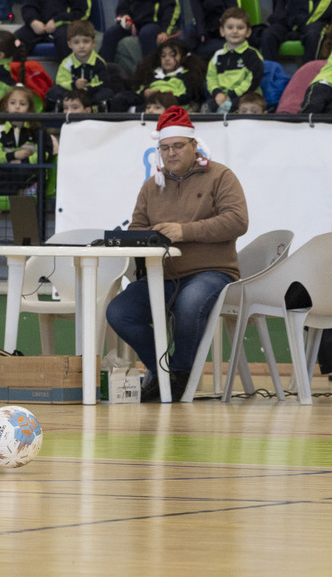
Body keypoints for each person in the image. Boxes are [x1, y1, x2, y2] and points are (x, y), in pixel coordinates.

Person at [105, 105, 248, 403]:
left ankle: (180, 375)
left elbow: (237, 221)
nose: (171, 153)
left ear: (194, 146)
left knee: (190, 301)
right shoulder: (151, 186)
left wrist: (185, 231)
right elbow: (137, 227)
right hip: (164, 275)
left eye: (178, 146)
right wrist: (141, 240)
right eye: (165, 148)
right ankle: (162, 369)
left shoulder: (221, 176)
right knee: (119, 312)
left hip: (212, 272)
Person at [206, 8, 263, 112]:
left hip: (245, 95)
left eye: (240, 27)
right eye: (230, 27)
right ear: (222, 31)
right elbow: (211, 78)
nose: (235, 31)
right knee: (210, 103)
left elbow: (252, 81)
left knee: (241, 105)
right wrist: (217, 93)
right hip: (222, 96)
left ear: (248, 32)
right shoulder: (217, 55)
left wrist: (232, 95)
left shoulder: (252, 55)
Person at [45, 20, 111, 111]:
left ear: (93, 43)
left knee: (106, 93)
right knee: (54, 91)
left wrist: (88, 88)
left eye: (86, 41)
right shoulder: (67, 62)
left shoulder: (98, 62)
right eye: (76, 42)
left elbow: (104, 83)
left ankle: (92, 110)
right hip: (71, 94)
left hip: (90, 94)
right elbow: (61, 81)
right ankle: (63, 112)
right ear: (69, 44)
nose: (81, 46)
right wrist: (74, 85)